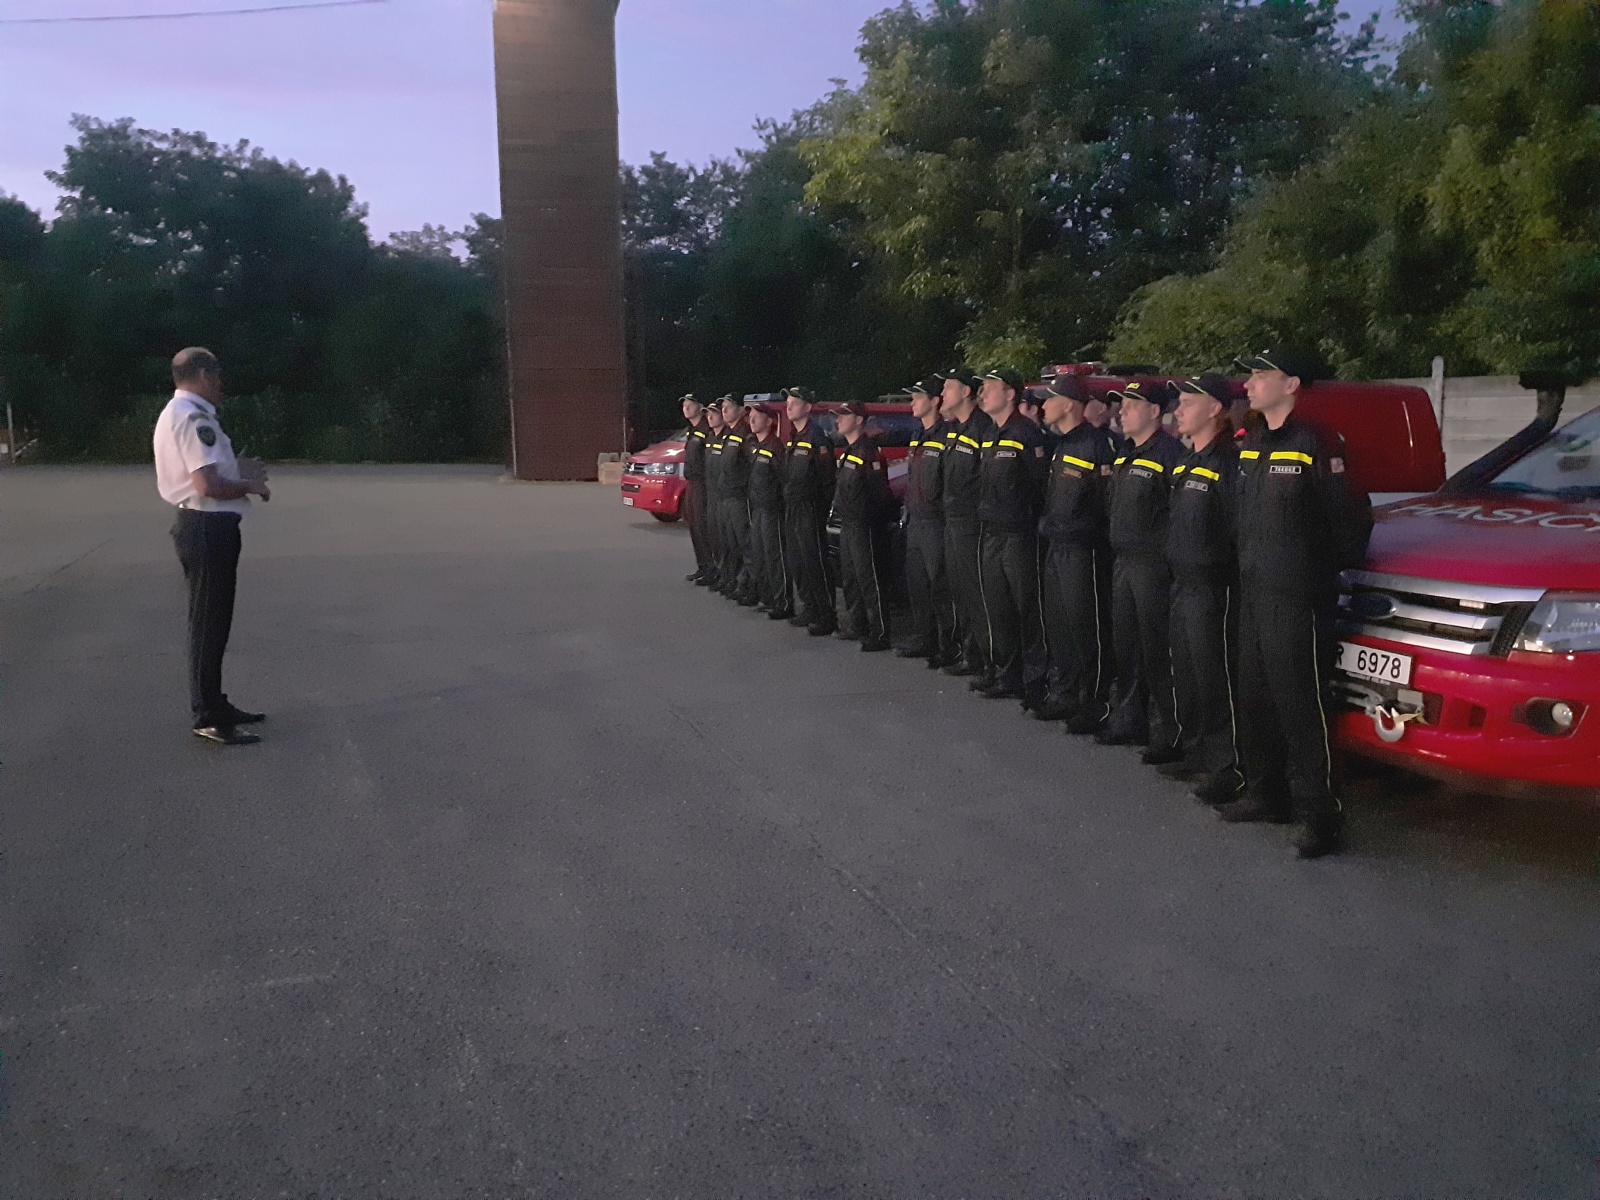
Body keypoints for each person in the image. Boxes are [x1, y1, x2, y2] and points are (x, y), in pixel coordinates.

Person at [1221, 349, 1372, 859]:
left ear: (1292, 384)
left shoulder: (1317, 440)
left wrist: (1315, 574)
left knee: (1301, 705)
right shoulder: (1253, 442)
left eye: (1260, 375)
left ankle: (1319, 816)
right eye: (1250, 375)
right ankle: (1265, 792)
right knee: (1255, 695)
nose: (1249, 384)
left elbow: (1349, 518)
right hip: (1254, 590)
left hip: (1297, 594)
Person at [152, 347, 271, 745]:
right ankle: (207, 713)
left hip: (203, 525)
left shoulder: (182, 415)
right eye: (217, 376)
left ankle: (215, 703)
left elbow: (211, 472)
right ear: (202, 375)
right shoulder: (193, 418)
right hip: (206, 527)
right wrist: (251, 485)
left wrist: (239, 469)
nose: (221, 384)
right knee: (208, 624)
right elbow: (207, 486)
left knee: (213, 621)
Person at [1165, 377, 1243, 805]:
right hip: (1182, 581)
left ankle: (1226, 767)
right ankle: (1196, 752)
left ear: (1215, 410)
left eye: (1188, 403)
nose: (1178, 410)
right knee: (1189, 673)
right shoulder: (1183, 461)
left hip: (1213, 586)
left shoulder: (1227, 462)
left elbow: (1235, 528)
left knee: (1216, 678)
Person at [1099, 380, 1185, 761]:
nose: (1123, 411)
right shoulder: (1124, 454)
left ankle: (1167, 729)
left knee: (1156, 649)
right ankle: (1128, 718)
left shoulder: (1170, 454)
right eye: (1122, 405)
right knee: (1127, 646)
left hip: (1153, 565)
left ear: (1154, 411)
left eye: (1132, 405)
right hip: (1123, 561)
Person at [1036, 373, 1117, 730]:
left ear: (1068, 405)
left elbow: (1105, 504)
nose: (1043, 406)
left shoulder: (1097, 446)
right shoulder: (1063, 444)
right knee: (1061, 624)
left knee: (1088, 628)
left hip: (1084, 550)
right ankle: (1064, 693)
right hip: (1057, 546)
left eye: (1050, 399)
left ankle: (1093, 701)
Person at [973, 369, 1049, 703]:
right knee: (999, 606)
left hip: (1019, 533)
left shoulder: (1026, 433)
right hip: (992, 531)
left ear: (1009, 394)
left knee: (1026, 608)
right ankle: (1007, 673)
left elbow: (1039, 485)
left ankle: (1035, 679)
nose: (982, 394)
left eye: (989, 388)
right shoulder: (990, 433)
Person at [938, 370, 995, 679]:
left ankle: (988, 661)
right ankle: (969, 653)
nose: (943, 392)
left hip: (971, 523)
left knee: (977, 593)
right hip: (952, 519)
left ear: (965, 393)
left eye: (949, 387)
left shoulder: (982, 427)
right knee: (959, 590)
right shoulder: (954, 428)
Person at [898, 379, 954, 668]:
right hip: (916, 519)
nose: (913, 402)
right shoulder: (918, 434)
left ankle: (948, 644)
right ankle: (925, 637)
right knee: (918, 582)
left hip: (935, 521)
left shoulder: (946, 435)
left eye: (918, 397)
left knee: (939, 584)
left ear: (935, 401)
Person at [831, 401, 896, 651]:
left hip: (863, 525)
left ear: (858, 420)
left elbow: (879, 493)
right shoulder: (850, 451)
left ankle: (880, 632)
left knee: (869, 578)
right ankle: (858, 625)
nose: (838, 421)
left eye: (844, 416)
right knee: (850, 578)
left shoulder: (868, 452)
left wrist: (870, 523)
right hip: (848, 524)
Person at [780, 386, 838, 635]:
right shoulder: (795, 436)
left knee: (815, 561)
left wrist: (820, 509)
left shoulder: (817, 437)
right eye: (788, 402)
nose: (789, 406)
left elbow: (827, 479)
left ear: (807, 407)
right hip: (793, 505)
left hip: (810, 507)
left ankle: (826, 615)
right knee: (798, 560)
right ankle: (810, 607)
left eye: (794, 402)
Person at [744, 402, 791, 619]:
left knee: (775, 556)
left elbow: (784, 481)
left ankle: (783, 603)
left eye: (756, 416)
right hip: (758, 508)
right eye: (751, 416)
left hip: (772, 509)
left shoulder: (775, 447)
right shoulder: (756, 446)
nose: (751, 420)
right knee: (760, 554)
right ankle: (769, 598)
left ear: (770, 421)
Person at [714, 395, 755, 603]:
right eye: (723, 408)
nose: (724, 411)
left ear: (740, 411)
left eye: (728, 407)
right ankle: (736, 581)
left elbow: (751, 464)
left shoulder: (744, 434)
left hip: (740, 497)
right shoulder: (728, 434)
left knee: (745, 543)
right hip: (726, 496)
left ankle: (750, 586)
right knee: (731, 542)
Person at [680, 395, 715, 585]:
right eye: (684, 406)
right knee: (693, 525)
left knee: (703, 527)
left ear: (700, 407)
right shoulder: (691, 430)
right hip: (691, 483)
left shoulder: (705, 429)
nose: (685, 408)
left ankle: (711, 568)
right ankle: (702, 566)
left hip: (702, 483)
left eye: (689, 405)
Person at [700, 400, 727, 586]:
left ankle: (729, 578)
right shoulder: (710, 438)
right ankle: (718, 573)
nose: (709, 417)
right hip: (711, 494)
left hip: (724, 496)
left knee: (728, 541)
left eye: (714, 413)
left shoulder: (729, 439)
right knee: (714, 537)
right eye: (708, 414)